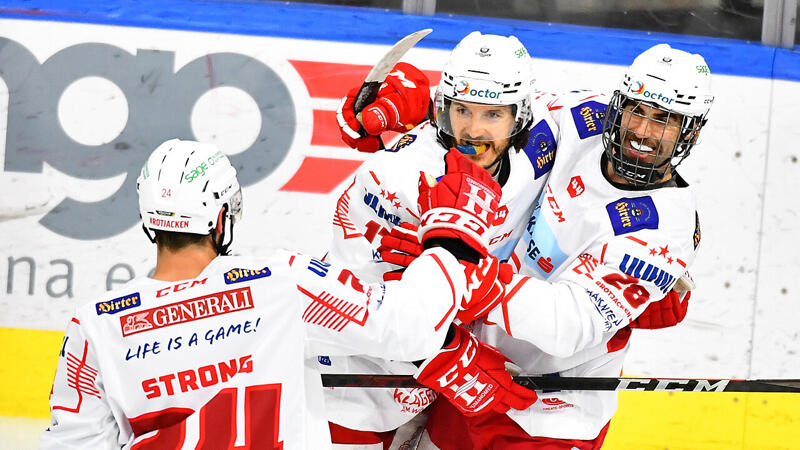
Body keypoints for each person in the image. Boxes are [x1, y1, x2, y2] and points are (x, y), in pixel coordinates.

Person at [39, 139, 536, 449]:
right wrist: (454, 235)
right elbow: (403, 329)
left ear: (150, 220)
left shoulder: (96, 324)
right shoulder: (278, 283)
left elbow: (72, 442)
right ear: (220, 220)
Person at [334, 39, 704, 448]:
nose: (643, 131)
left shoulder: (664, 232)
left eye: (665, 121)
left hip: (552, 409)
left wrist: (467, 274)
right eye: (636, 110)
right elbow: (502, 114)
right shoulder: (582, 118)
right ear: (619, 103)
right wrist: (421, 108)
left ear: (692, 132)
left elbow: (567, 326)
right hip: (469, 376)